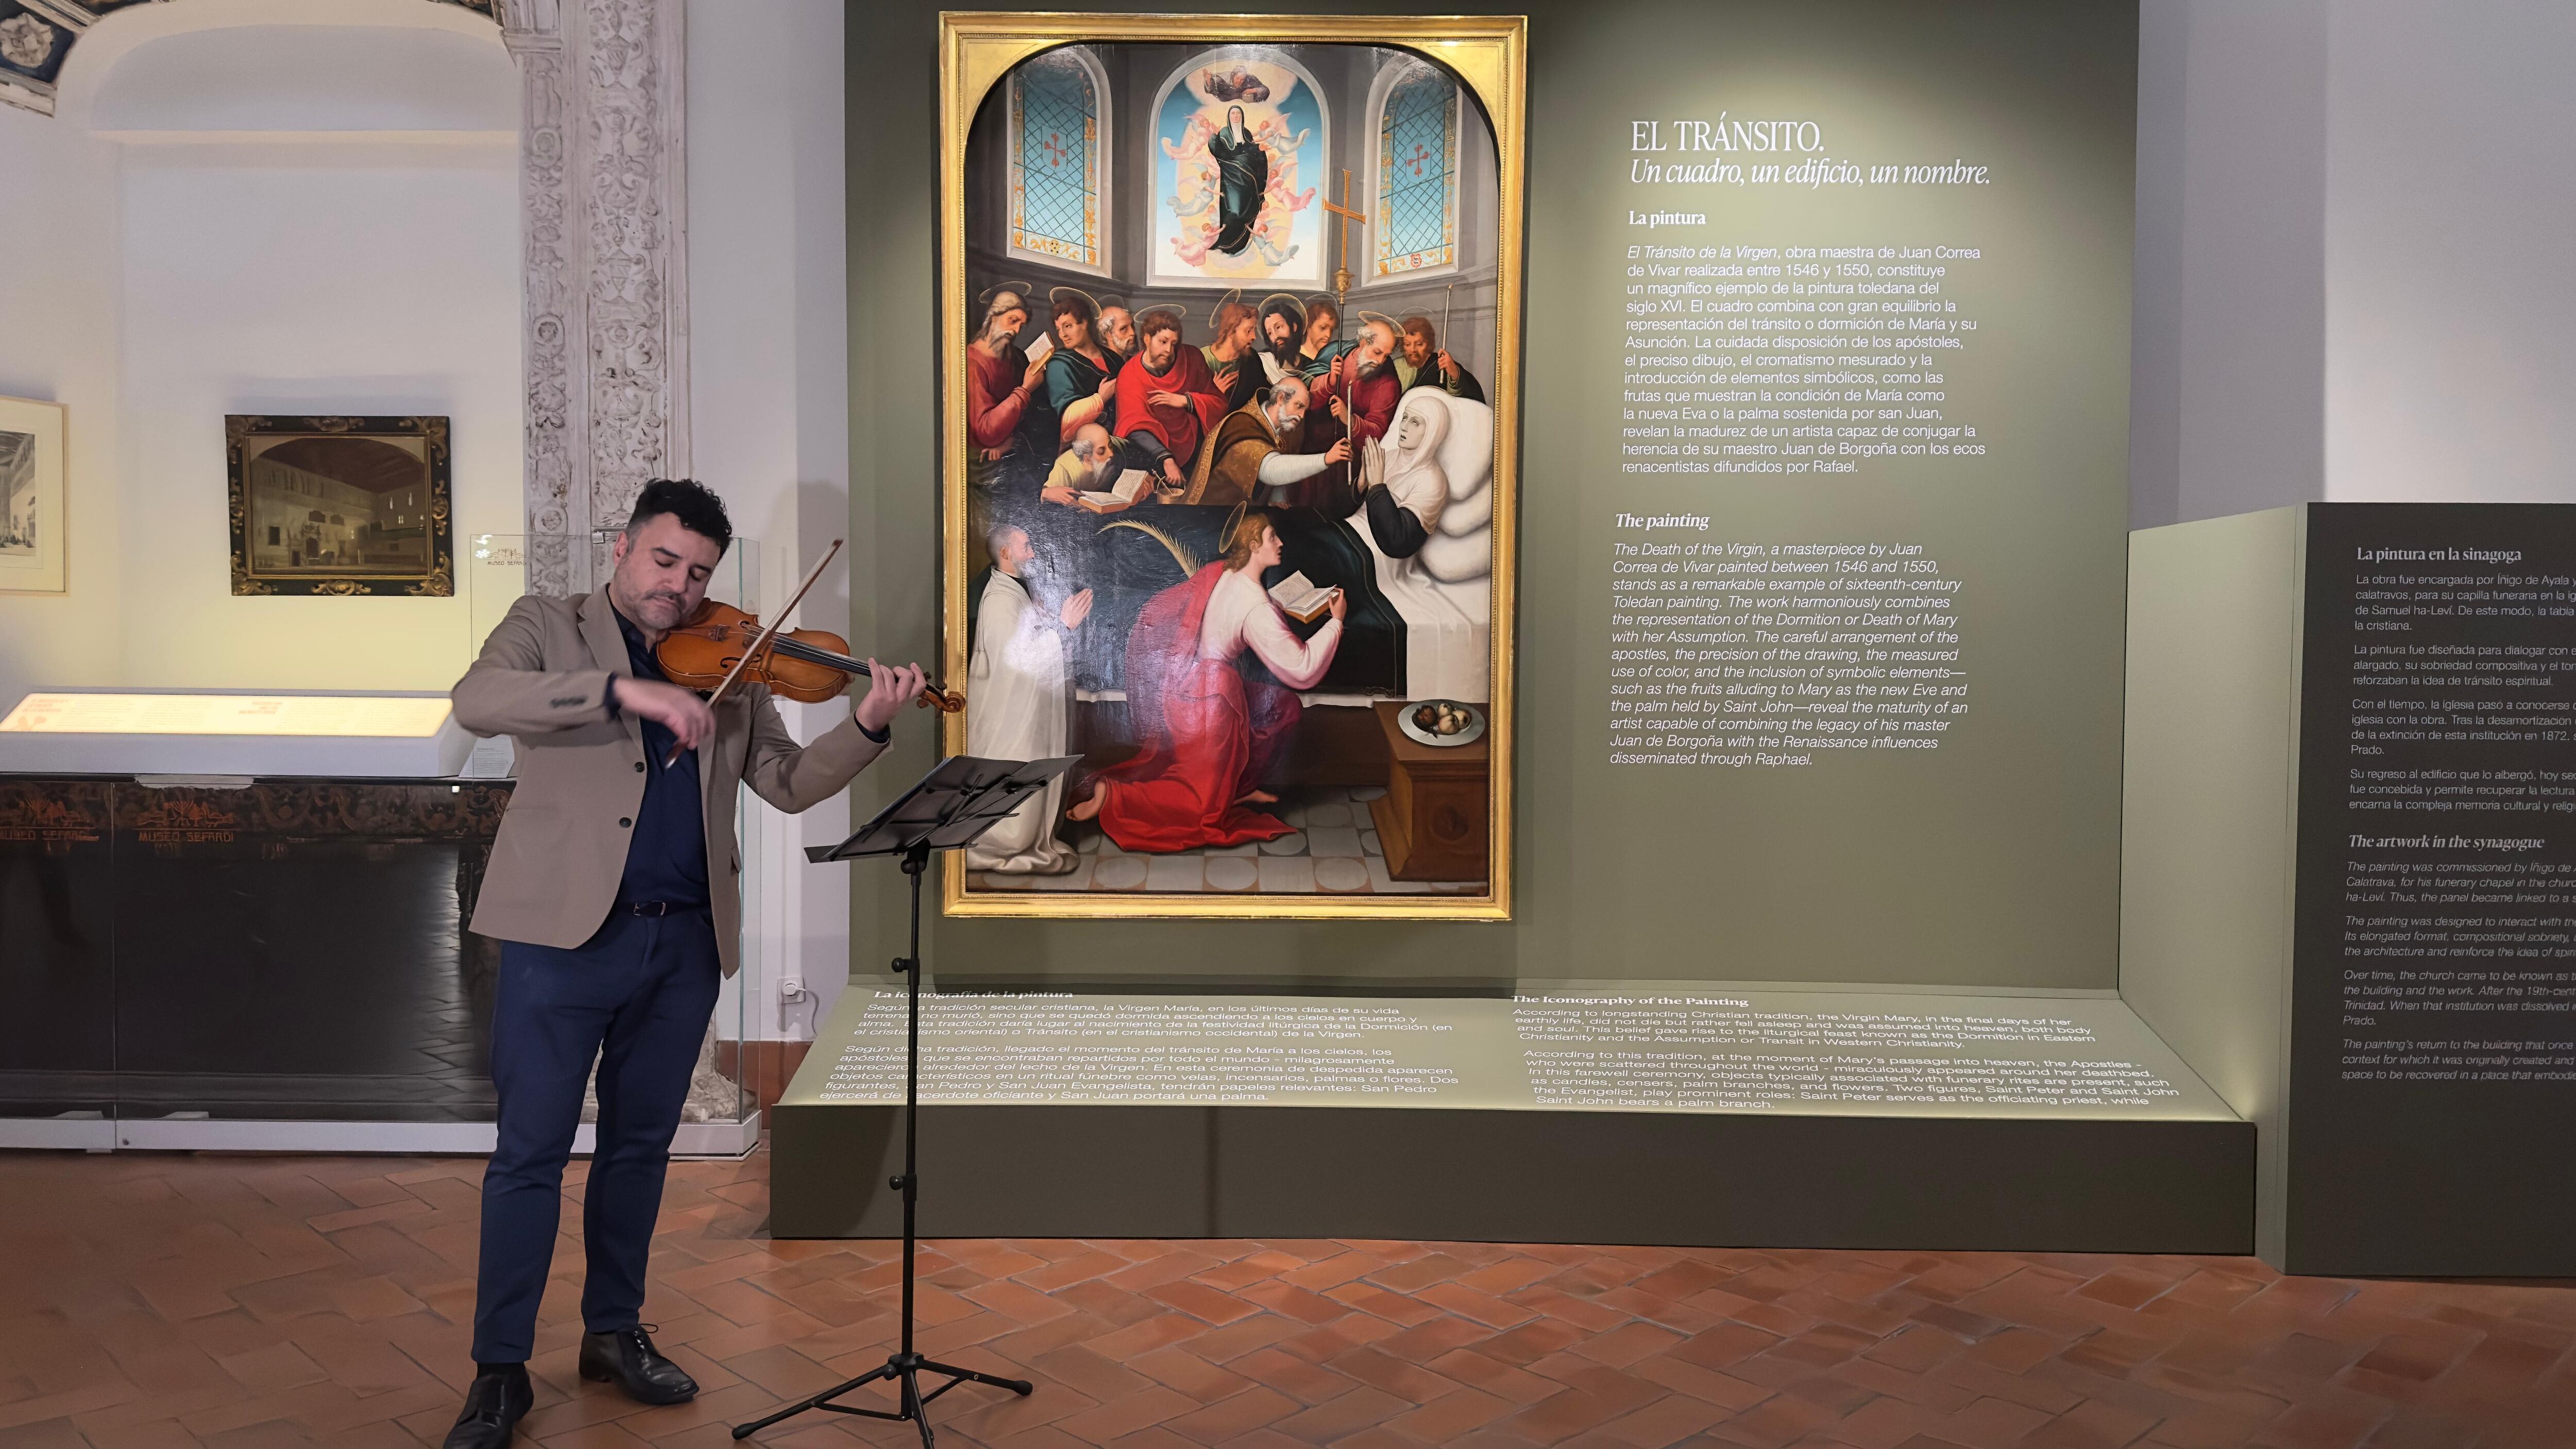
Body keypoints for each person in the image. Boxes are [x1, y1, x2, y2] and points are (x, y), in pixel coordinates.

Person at [439, 480, 926, 1449]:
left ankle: (613, 1330)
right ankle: (499, 1369)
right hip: (559, 941)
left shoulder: (735, 659)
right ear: (624, 548)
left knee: (639, 1149)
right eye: (666, 561)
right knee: (530, 1153)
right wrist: (620, 689)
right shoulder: (547, 623)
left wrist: (868, 724)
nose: (681, 586)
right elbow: (477, 700)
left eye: (699, 572)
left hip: (682, 943)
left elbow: (787, 783)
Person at [1066, 510, 1345, 849]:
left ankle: (1236, 789)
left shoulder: (1220, 571)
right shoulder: (1257, 607)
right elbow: (1301, 668)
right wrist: (1335, 622)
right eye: (1272, 537)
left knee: (1283, 708)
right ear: (1253, 546)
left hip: (1182, 689)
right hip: (1210, 703)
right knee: (1199, 809)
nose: (1281, 543)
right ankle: (1111, 795)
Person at [965, 524, 1092, 874]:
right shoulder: (1000, 600)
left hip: (1023, 707)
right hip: (1011, 714)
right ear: (1006, 553)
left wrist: (1051, 622)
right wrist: (1064, 627)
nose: (1033, 553)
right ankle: (1003, 841)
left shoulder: (1013, 590)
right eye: (1026, 547)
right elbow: (1017, 663)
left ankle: (1025, 838)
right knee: (1015, 797)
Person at [1180, 372, 1350, 508]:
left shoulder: (1286, 426)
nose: (1302, 415)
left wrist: (1276, 497)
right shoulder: (1242, 427)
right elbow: (1270, 470)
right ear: (1281, 399)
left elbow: (1285, 457)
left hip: (1248, 511)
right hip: (1216, 512)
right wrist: (1325, 459)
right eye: (1299, 406)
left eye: (1305, 410)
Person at [1114, 309, 1229, 491]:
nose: (1169, 350)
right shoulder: (1130, 375)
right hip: (1154, 456)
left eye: (1174, 343)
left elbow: (1218, 402)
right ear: (1147, 339)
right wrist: (1166, 459)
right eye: (1163, 342)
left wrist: (1186, 401)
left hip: (1198, 449)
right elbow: (1133, 426)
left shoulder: (1192, 358)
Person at [1358, 388, 1452, 558]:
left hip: (1370, 556)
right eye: (1405, 418)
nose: (1404, 427)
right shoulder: (1386, 457)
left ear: (1432, 432)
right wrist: (1361, 486)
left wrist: (1377, 486)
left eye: (1415, 422)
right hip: (1350, 532)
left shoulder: (1433, 480)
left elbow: (1398, 541)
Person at [1307, 315, 1402, 460]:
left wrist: (1350, 420)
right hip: (1314, 446)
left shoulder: (1388, 384)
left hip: (1350, 456)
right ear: (1363, 343)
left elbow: (1378, 435)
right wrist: (1330, 381)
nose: (1380, 361)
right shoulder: (1337, 351)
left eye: (1386, 355)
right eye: (1377, 352)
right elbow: (1306, 396)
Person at [1037, 290, 1118, 449]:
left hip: (1119, 437)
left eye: (1068, 326)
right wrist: (1100, 399)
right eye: (1059, 329)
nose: (1063, 335)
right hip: (1083, 448)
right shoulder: (1059, 364)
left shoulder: (1113, 359)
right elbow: (1066, 421)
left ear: (1084, 323)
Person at [1207, 104, 1269, 255]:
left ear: (1242, 116)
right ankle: (1226, 243)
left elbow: (1251, 150)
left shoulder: (1246, 133)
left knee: (1245, 211)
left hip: (1247, 180)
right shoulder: (1224, 132)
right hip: (1231, 178)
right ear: (1229, 116)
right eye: (1233, 114)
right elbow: (1218, 152)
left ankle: (1239, 244)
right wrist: (1215, 136)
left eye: (1238, 114)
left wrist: (1259, 149)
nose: (1236, 116)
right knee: (1233, 212)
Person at [1395, 315, 1486, 403]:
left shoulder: (1440, 363)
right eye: (1407, 344)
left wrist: (1455, 374)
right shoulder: (1396, 366)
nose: (1413, 350)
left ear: (1429, 344)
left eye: (1419, 344)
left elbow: (1468, 397)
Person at [1200, 300, 1265, 415]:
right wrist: (1214, 395)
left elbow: (1263, 395)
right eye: (1248, 331)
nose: (1254, 337)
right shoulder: (1202, 359)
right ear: (1231, 332)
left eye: (1254, 330)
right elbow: (1190, 404)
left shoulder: (1251, 359)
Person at [1042, 422, 1125, 506]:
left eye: (1110, 446)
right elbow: (1046, 494)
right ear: (1088, 459)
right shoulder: (1064, 469)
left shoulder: (1116, 447)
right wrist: (1046, 493)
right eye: (1101, 452)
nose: (1111, 454)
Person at [1097, 301, 1138, 369]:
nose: (1132, 333)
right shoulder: (1100, 367)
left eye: (1132, 326)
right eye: (1124, 328)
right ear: (1108, 334)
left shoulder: (1136, 364)